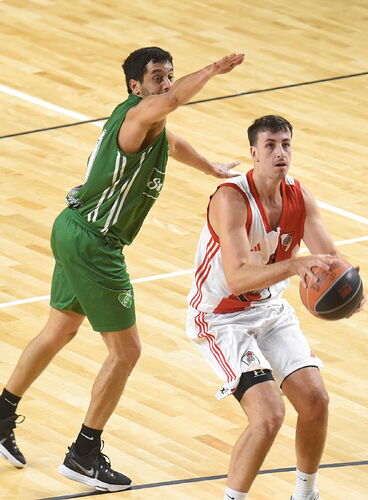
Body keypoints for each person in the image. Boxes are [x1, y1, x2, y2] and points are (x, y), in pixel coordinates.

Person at [0, 47, 244, 492]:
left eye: (169, 75)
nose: (166, 84)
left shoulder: (150, 124)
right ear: (136, 87)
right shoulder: (136, 118)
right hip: (95, 243)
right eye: (156, 77)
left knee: (59, 329)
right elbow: (170, 106)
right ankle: (84, 455)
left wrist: (210, 167)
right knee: (126, 352)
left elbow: (172, 140)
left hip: (73, 228)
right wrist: (212, 68)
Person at [186, 115, 365, 500]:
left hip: (270, 310)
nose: (280, 153)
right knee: (268, 416)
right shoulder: (230, 199)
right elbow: (237, 278)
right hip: (220, 318)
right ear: (254, 153)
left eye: (285, 144)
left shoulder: (300, 196)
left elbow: (328, 256)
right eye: (270, 146)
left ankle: (305, 495)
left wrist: (350, 283)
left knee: (316, 401)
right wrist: (295, 265)